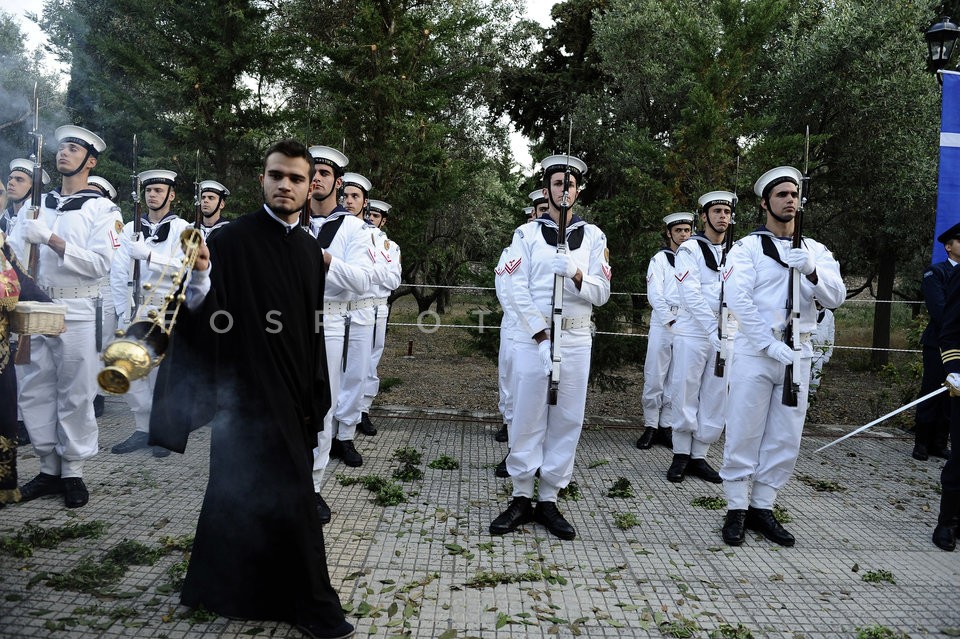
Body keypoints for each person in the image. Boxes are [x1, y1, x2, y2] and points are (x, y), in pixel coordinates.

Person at [149, 139, 354, 639]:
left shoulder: (309, 249)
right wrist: (199, 277)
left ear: (310, 188)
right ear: (262, 179)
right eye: (276, 175)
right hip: (246, 394)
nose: (285, 185)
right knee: (279, 494)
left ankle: (222, 589)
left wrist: (315, 394)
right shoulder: (231, 240)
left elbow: (312, 325)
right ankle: (313, 606)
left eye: (297, 179)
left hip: (294, 390)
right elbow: (202, 310)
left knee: (245, 493)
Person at [718, 166, 845, 547]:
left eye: (794, 194)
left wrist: (810, 273)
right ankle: (736, 507)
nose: (790, 200)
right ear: (765, 203)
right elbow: (737, 299)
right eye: (782, 195)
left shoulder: (816, 251)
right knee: (744, 428)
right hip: (758, 350)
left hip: (800, 350)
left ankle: (763, 506)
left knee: (785, 434)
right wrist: (766, 343)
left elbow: (835, 298)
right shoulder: (747, 248)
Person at [491, 154, 611, 541]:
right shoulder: (524, 235)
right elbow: (513, 290)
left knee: (567, 418)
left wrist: (576, 274)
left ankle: (549, 497)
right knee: (527, 415)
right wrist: (540, 336)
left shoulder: (593, 237)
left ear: (578, 191)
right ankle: (521, 495)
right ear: (547, 190)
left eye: (570, 184)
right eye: (557, 184)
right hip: (533, 339)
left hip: (576, 338)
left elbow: (603, 292)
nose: (564, 189)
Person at [8, 125, 123, 509]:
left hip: (79, 308)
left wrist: (52, 241)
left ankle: (73, 470)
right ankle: (47, 467)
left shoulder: (103, 209)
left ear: (90, 161)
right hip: (36, 307)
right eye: (61, 148)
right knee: (34, 387)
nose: (64, 153)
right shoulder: (36, 204)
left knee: (75, 391)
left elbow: (99, 264)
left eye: (73, 149)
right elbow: (15, 255)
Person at [306, 145, 372, 522]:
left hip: (328, 321)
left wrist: (327, 260)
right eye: (311, 172)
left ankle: (313, 484)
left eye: (324, 174)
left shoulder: (354, 228)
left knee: (321, 403)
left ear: (338, 182)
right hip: (282, 320)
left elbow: (363, 280)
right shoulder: (289, 220)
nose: (316, 179)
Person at [109, 169, 190, 458]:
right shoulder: (132, 227)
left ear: (171, 195)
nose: (152, 195)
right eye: (149, 190)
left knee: (159, 375)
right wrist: (122, 309)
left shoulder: (183, 227)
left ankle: (158, 431)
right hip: (134, 305)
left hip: (164, 307)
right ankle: (142, 426)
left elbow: (186, 268)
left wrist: (149, 256)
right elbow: (118, 271)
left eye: (158, 190)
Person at [666, 192, 735, 483]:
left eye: (727, 212)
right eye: (717, 211)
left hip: (727, 333)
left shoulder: (737, 251)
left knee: (716, 393)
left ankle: (700, 455)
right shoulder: (690, 249)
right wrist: (710, 326)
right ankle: (681, 454)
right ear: (704, 217)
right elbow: (689, 293)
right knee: (685, 389)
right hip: (694, 332)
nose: (722, 216)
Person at [1, 224, 53, 508]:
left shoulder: (2, 244)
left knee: (3, 416)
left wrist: (53, 308)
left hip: (1, 354)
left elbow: (23, 281)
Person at [636, 211, 693, 450]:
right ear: (669, 233)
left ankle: (666, 425)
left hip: (687, 321)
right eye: (678, 230)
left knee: (676, 378)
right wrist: (670, 320)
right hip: (664, 321)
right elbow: (655, 295)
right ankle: (650, 425)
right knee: (655, 375)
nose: (683, 235)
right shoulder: (660, 259)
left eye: (687, 230)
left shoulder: (694, 259)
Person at [913, 225, 958, 461]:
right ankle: (922, 442)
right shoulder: (936, 272)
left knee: (953, 393)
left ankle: (940, 442)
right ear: (948, 247)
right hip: (939, 342)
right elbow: (939, 309)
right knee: (932, 390)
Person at [358, 199, 402, 436]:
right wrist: (380, 273)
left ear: (383, 220)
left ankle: (363, 410)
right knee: (353, 362)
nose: (370, 219)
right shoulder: (358, 239)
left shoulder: (391, 247)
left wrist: (369, 274)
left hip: (379, 307)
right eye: (368, 215)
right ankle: (347, 412)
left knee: (372, 361)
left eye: (375, 216)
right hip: (356, 305)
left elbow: (394, 280)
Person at [88, 175, 118, 419]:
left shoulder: (110, 219)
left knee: (101, 343)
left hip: (104, 286)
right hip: (80, 288)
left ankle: (98, 395)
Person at [2, 158, 50, 235]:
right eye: (10, 178)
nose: (10, 182)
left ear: (34, 187)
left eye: (19, 180)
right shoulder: (2, 216)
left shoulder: (42, 220)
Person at [808, 300, 835, 396]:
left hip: (819, 352)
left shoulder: (829, 314)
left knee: (815, 379)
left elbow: (831, 335)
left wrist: (828, 353)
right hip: (806, 349)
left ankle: (810, 398)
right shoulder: (806, 310)